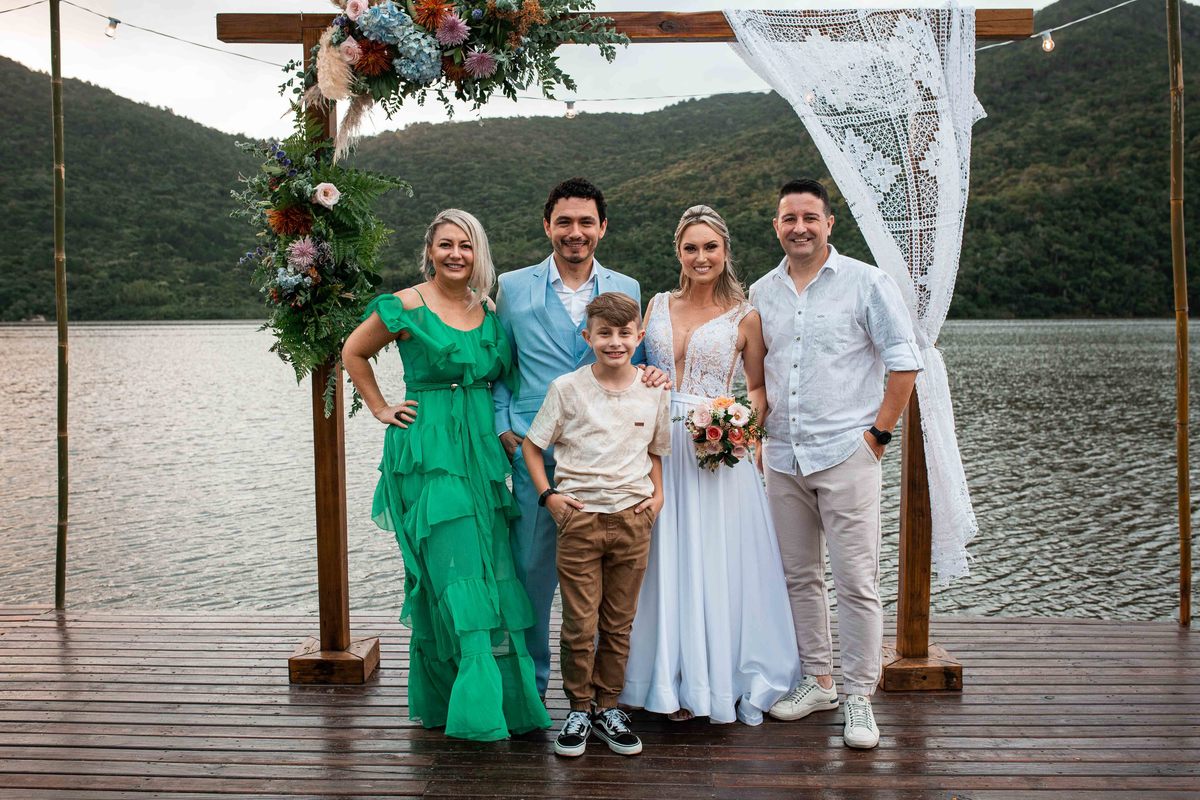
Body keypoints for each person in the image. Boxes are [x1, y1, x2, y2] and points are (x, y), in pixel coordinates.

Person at [341, 209, 550, 742]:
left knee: (490, 565)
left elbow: (505, 379)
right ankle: (475, 710)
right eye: (446, 245)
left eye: (466, 245)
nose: (456, 254)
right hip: (429, 451)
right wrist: (380, 406)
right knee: (452, 567)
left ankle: (484, 698)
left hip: (480, 450)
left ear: (478, 254)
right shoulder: (405, 304)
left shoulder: (488, 307)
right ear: (430, 251)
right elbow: (353, 351)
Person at [749, 179, 923, 750]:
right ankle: (819, 680)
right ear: (777, 225)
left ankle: (859, 696)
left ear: (829, 223)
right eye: (789, 218)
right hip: (783, 455)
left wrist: (878, 437)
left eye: (810, 217)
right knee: (799, 576)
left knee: (856, 580)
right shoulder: (762, 291)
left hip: (848, 452)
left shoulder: (866, 282)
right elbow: (760, 375)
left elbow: (904, 362)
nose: (799, 227)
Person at [620, 205, 799, 725]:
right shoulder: (656, 304)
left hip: (714, 449)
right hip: (656, 445)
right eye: (691, 248)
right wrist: (644, 378)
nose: (701, 257)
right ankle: (661, 677)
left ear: (725, 252)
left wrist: (741, 428)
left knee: (712, 558)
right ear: (678, 252)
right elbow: (632, 365)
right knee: (660, 558)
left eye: (710, 247)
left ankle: (709, 680)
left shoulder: (745, 316)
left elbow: (758, 388)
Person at [493, 177, 663, 700]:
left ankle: (599, 697)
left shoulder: (627, 286)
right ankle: (529, 693)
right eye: (564, 222)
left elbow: (632, 360)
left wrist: (652, 373)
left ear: (602, 227)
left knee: (602, 595)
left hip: (604, 462)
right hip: (533, 452)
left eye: (586, 222)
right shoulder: (513, 286)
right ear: (547, 225)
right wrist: (503, 425)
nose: (575, 232)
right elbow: (502, 366)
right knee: (531, 575)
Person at [522, 292, 671, 757]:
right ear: (588, 337)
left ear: (639, 337)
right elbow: (532, 446)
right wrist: (549, 496)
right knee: (579, 624)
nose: (615, 342)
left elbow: (655, 450)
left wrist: (658, 496)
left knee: (619, 622)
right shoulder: (567, 388)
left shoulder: (654, 390)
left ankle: (609, 707)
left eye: (624, 333)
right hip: (580, 520)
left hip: (633, 519)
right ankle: (578, 709)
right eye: (604, 333)